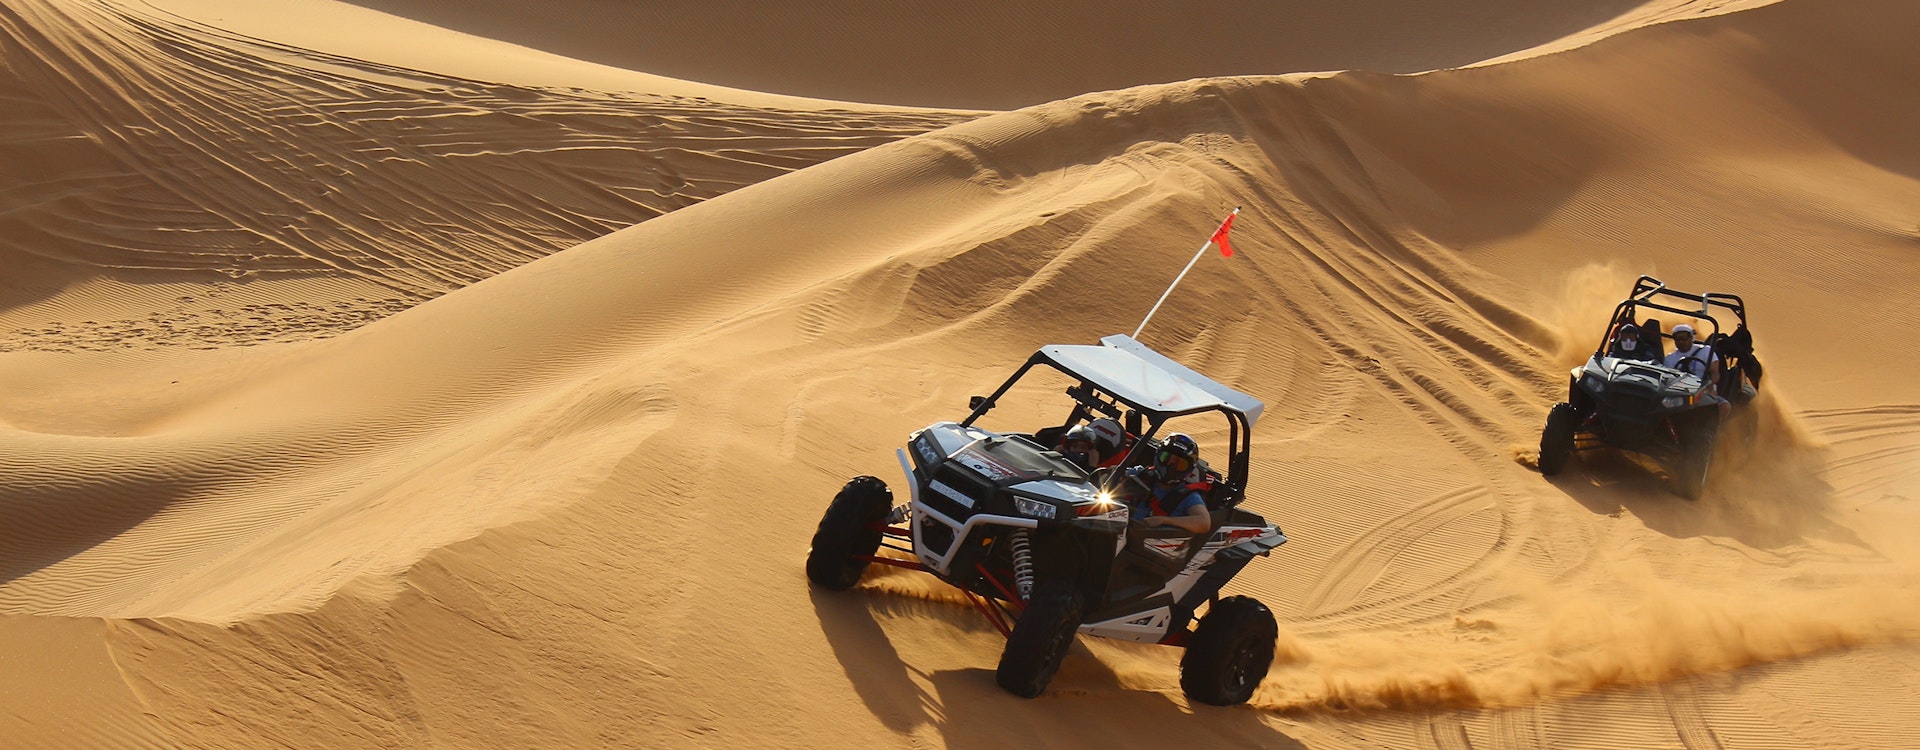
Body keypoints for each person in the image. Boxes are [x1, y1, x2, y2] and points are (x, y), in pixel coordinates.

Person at [1123, 434, 1212, 533]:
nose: (1171, 467)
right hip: (1121, 529)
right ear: (1158, 456)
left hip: (1148, 542)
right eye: (1166, 458)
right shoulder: (1141, 474)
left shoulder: (1188, 496)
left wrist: (1163, 520)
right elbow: (1113, 476)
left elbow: (1204, 522)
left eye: (1180, 464)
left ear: (1189, 469)